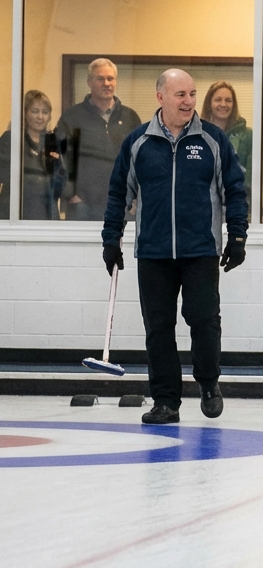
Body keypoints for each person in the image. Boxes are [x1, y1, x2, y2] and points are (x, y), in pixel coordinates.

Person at [102, 69, 248, 425]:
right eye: (180, 95)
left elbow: (234, 188)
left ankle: (209, 383)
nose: (188, 102)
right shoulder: (138, 143)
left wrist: (238, 235)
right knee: (158, 329)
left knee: (203, 320)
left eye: (192, 94)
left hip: (200, 249)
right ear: (161, 97)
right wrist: (111, 237)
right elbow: (120, 192)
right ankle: (165, 401)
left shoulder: (212, 140)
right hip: (153, 252)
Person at [57, 58, 142, 221]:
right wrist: (70, 194)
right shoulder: (72, 117)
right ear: (89, 82)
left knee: (120, 247)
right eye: (100, 78)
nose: (106, 83)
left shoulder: (130, 117)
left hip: (121, 204)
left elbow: (139, 159)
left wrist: (137, 195)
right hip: (82, 206)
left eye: (110, 78)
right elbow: (60, 160)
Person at [0, 91, 67, 221]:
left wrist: (57, 167)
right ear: (25, 113)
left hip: (47, 215)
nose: (40, 117)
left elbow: (61, 189)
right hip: (16, 214)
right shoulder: (11, 139)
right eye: (35, 111)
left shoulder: (53, 142)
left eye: (45, 112)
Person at [201, 81, 253, 185]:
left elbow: (250, 179)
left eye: (228, 100)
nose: (223, 104)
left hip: (236, 198)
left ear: (234, 105)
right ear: (209, 103)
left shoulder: (247, 135)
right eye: (218, 100)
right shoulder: (197, 135)